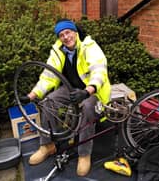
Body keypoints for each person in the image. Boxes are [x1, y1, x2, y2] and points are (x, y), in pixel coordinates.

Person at [26, 19, 111, 176]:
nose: (65, 37)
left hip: (94, 91)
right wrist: (32, 95)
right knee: (48, 102)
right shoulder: (57, 52)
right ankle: (48, 145)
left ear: (75, 32)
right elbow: (48, 76)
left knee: (86, 108)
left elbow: (99, 71)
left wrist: (87, 91)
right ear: (59, 38)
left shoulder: (89, 47)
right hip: (70, 88)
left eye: (68, 32)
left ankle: (84, 154)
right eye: (61, 35)